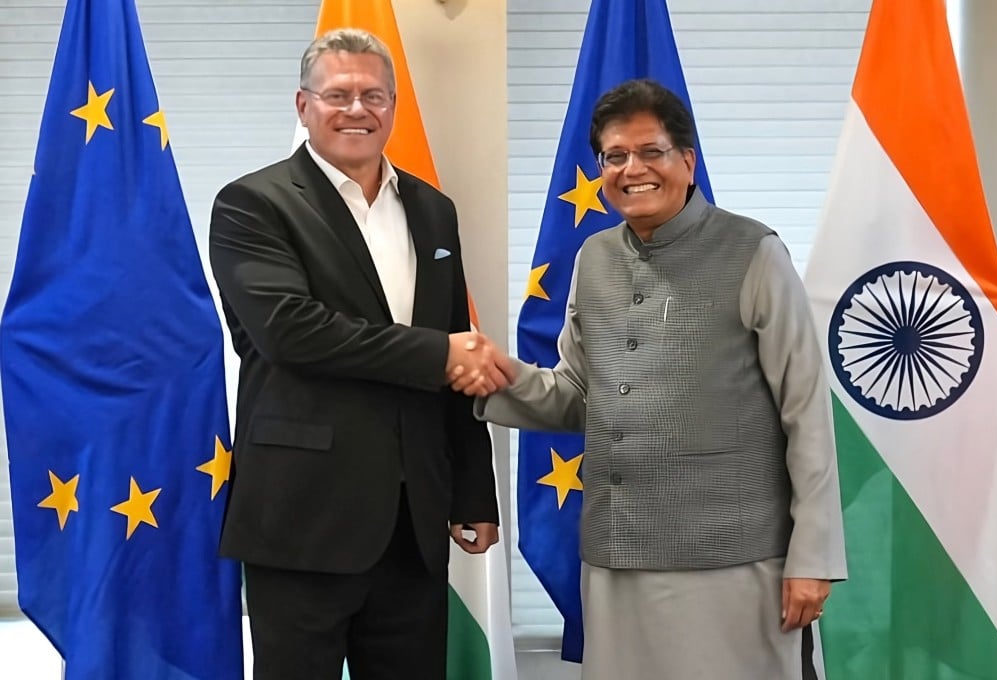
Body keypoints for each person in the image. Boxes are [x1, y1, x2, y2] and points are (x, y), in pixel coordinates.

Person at [469, 79, 847, 679]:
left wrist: (813, 556)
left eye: (651, 152)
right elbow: (577, 396)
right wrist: (495, 376)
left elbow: (806, 412)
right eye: (614, 157)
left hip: (736, 560)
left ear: (687, 162)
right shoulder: (593, 258)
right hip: (616, 561)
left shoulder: (754, 251)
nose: (632, 169)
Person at [209, 28, 510, 680]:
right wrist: (437, 354)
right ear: (302, 105)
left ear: (393, 107)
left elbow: (456, 344)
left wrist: (474, 492)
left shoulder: (433, 211)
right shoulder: (252, 204)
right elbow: (292, 331)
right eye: (338, 94)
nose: (357, 109)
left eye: (374, 95)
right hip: (302, 520)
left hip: (414, 522)